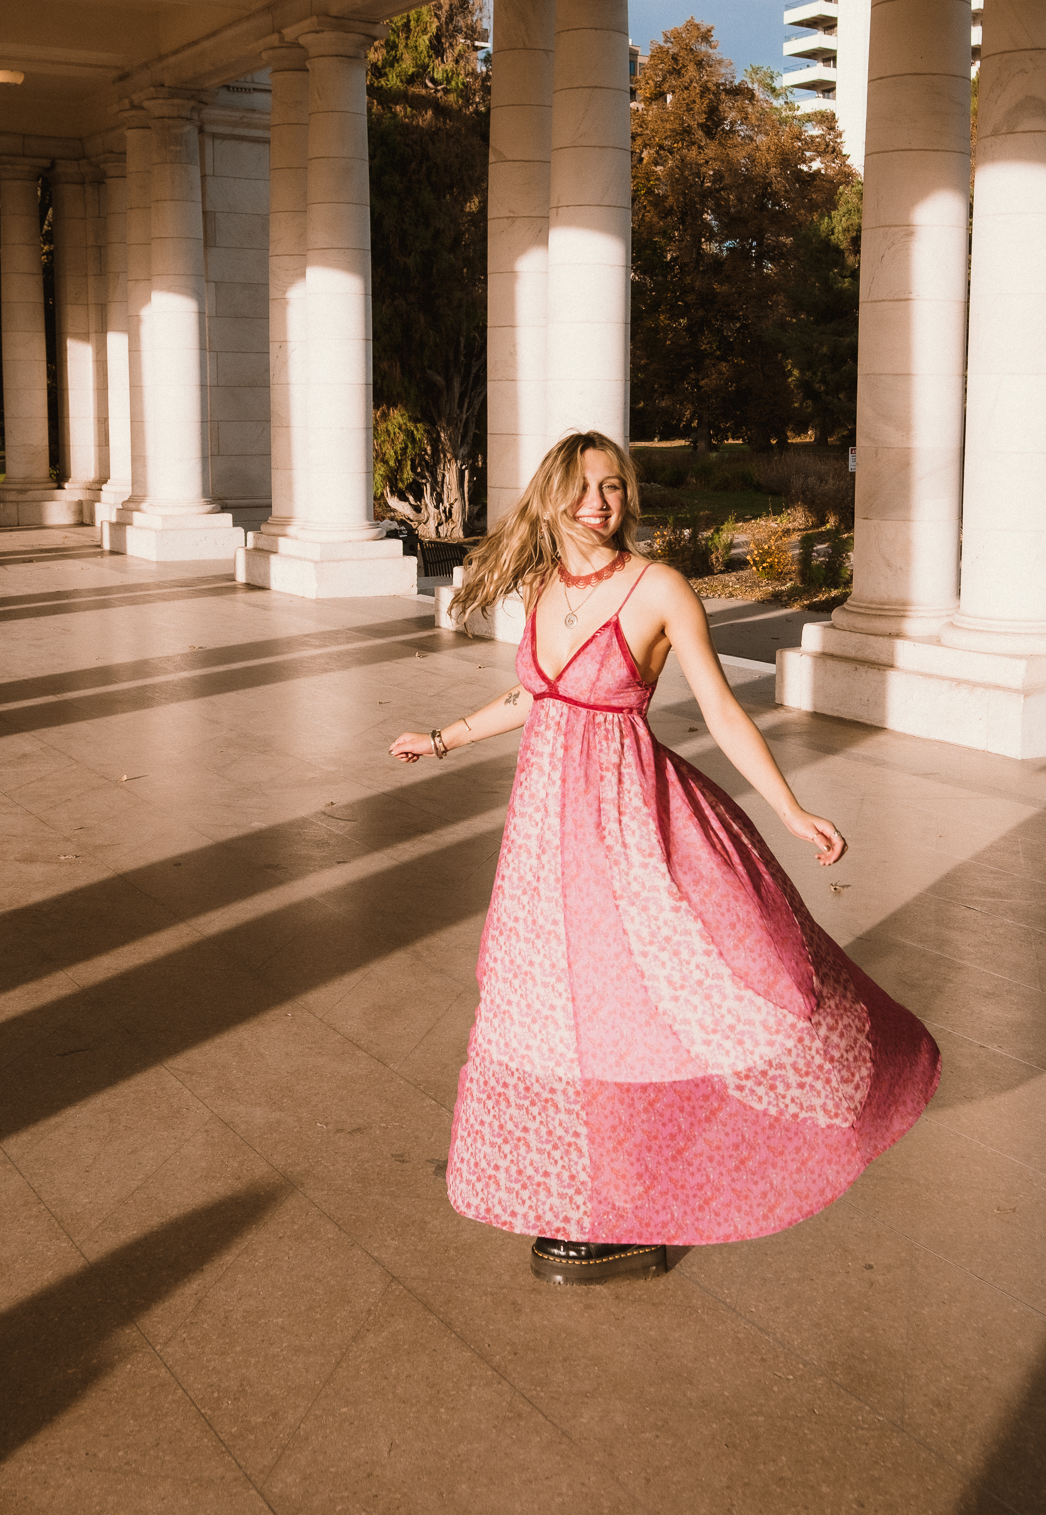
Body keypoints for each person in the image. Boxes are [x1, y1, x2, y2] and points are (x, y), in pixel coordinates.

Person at [390, 432, 939, 1286]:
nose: (599, 503)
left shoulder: (659, 590)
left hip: (631, 830)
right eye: (580, 487)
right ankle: (596, 1191)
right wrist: (442, 738)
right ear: (549, 497)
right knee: (554, 1007)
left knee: (655, 1001)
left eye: (613, 486)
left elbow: (720, 709)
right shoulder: (540, 586)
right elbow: (535, 694)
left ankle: (630, 1203)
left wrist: (790, 808)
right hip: (546, 836)